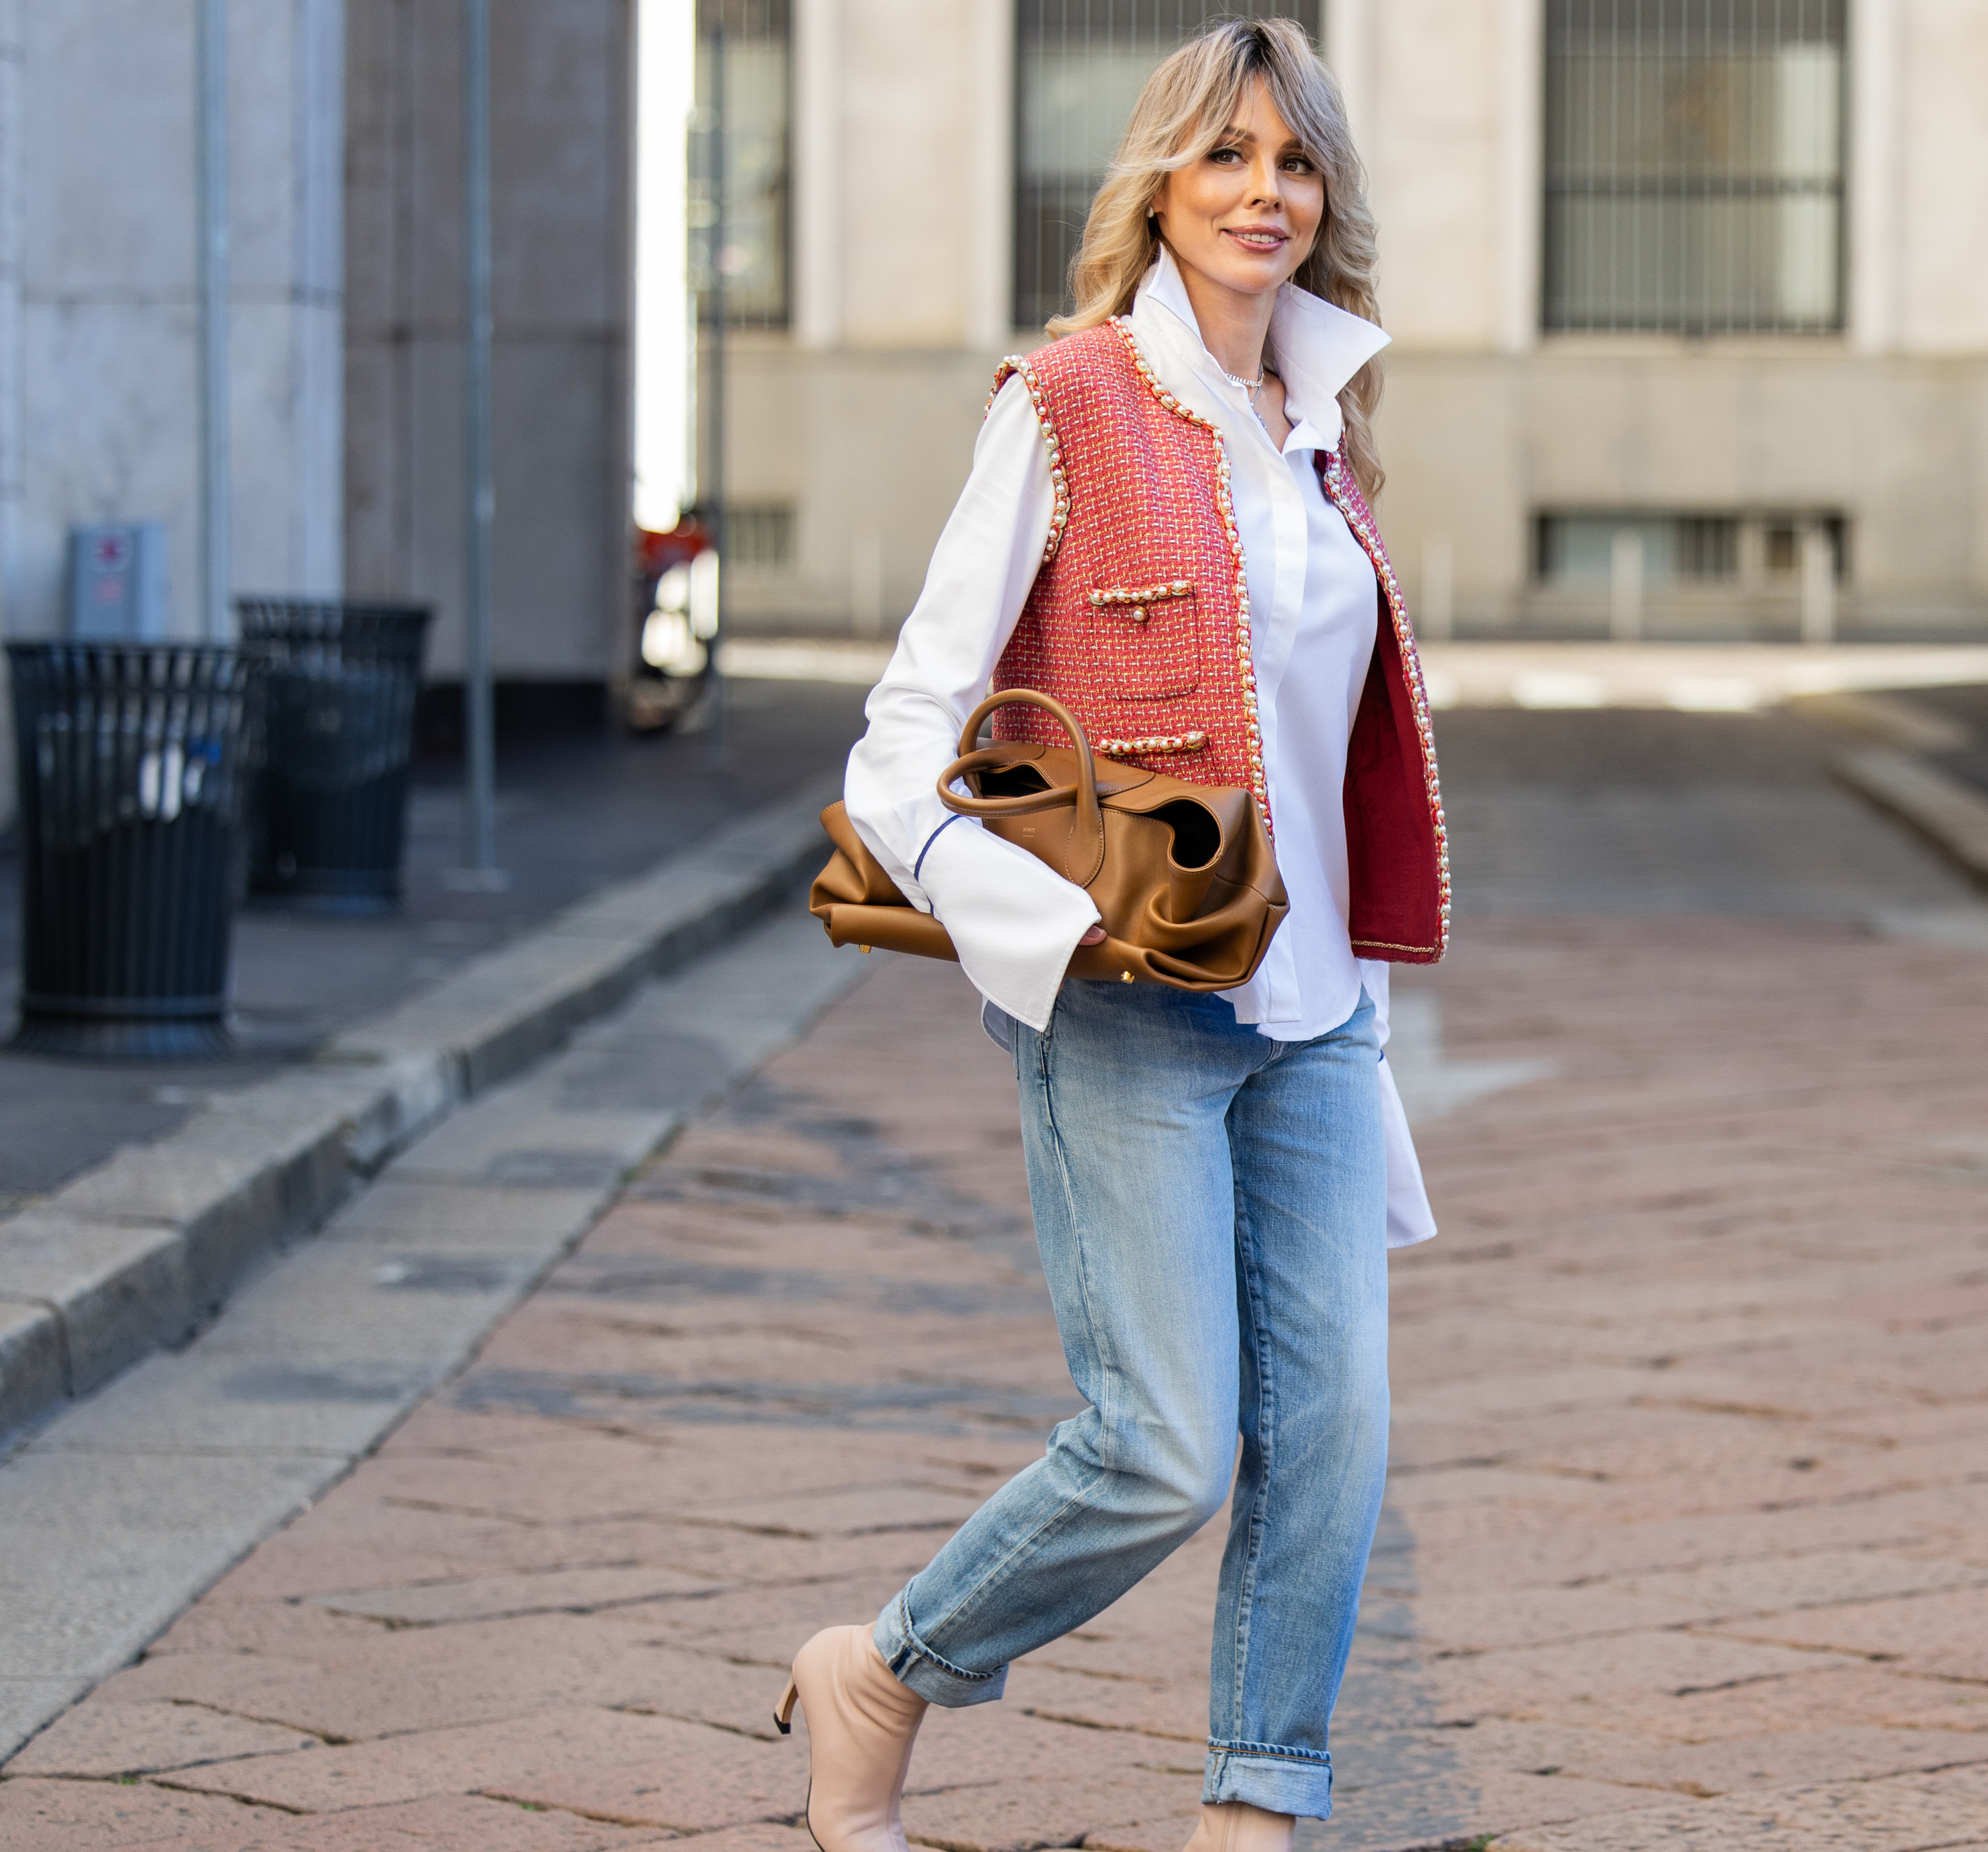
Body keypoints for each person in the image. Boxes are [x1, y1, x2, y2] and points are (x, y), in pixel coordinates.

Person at [773, 18, 1449, 1852]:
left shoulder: (1326, 430)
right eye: (1228, 157)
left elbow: (1320, 771)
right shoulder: (1066, 403)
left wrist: (1368, 1023)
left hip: (1315, 1017)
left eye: (1296, 163)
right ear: (1162, 180)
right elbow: (900, 753)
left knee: (1330, 1450)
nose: (1266, 194)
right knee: (1158, 1445)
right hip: (1131, 1009)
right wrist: (1048, 935)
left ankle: (1258, 1809)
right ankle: (888, 1669)